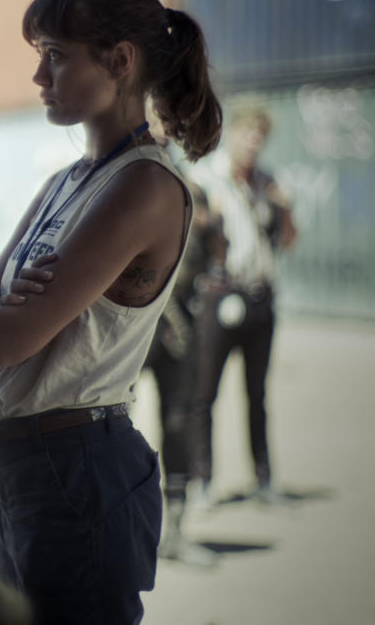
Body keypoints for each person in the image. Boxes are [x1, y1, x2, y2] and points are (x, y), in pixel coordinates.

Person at [0, 0, 222, 623]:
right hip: (24, 464)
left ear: (118, 61)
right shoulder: (66, 181)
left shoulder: (143, 188)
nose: (39, 78)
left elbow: (0, 338)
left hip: (72, 469)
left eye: (54, 56)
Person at [188, 105, 297, 507]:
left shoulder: (270, 182)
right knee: (204, 394)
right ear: (232, 133)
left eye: (261, 136)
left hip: (260, 298)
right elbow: (187, 235)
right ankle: (202, 481)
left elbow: (288, 241)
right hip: (218, 296)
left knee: (257, 394)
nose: (254, 142)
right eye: (248, 133)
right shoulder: (205, 179)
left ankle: (264, 480)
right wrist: (204, 219)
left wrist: (284, 208)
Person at [141, 120, 226, 566]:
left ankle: (174, 531)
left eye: (164, 121)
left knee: (179, 425)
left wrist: (214, 229)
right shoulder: (115, 186)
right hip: (129, 333)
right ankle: (118, 531)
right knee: (112, 429)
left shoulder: (195, 190)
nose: (158, 128)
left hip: (179, 329)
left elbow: (219, 257)